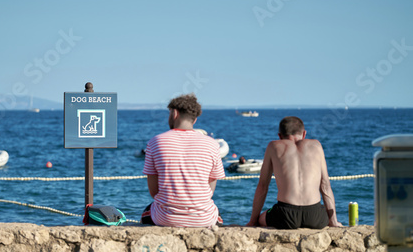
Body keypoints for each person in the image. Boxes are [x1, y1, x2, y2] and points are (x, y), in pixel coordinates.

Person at [141, 93, 226, 227]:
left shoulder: (155, 142)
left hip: (165, 218)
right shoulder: (212, 144)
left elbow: (154, 192)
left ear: (174, 113)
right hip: (203, 219)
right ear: (195, 119)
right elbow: (210, 189)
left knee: (146, 212)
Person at [246, 116, 342, 229]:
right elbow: (325, 186)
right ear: (304, 133)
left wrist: (252, 221)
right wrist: (334, 222)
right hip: (314, 215)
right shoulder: (316, 145)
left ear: (280, 136)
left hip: (284, 215)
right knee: (323, 211)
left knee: (261, 217)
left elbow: (262, 187)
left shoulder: (273, 146)